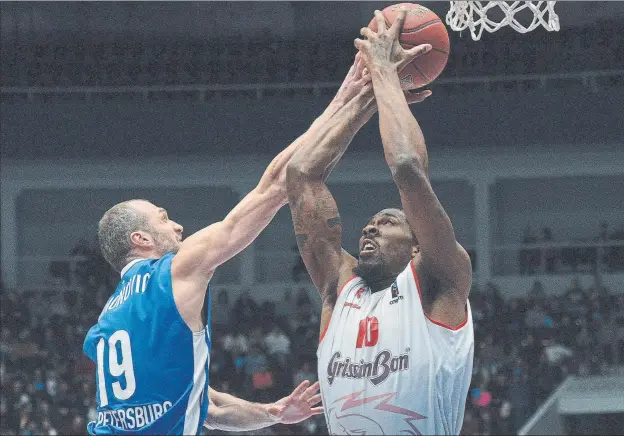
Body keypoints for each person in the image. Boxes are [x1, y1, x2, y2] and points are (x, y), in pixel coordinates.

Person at [81, 56, 376, 435]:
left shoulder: (106, 322)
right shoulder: (171, 274)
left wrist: (273, 413)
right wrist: (348, 99)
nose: (177, 224)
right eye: (162, 217)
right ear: (141, 240)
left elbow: (205, 405)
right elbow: (273, 189)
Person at [286, 9, 473, 435]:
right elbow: (300, 176)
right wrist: (367, 97)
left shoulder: (440, 281)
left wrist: (387, 75)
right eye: (370, 223)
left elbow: (408, 168)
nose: (369, 228)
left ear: (418, 247)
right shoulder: (339, 288)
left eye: (388, 222)